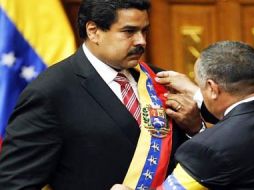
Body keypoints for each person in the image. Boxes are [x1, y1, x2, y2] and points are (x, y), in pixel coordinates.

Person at [0, 0, 201, 189]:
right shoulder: (50, 91)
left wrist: (195, 128)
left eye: (144, 31)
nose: (141, 41)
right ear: (94, 31)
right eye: (129, 31)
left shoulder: (160, 80)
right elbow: (14, 184)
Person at [112, 41, 254, 189]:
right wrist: (197, 92)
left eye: (201, 85)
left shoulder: (206, 149)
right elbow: (246, 118)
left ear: (211, 87)